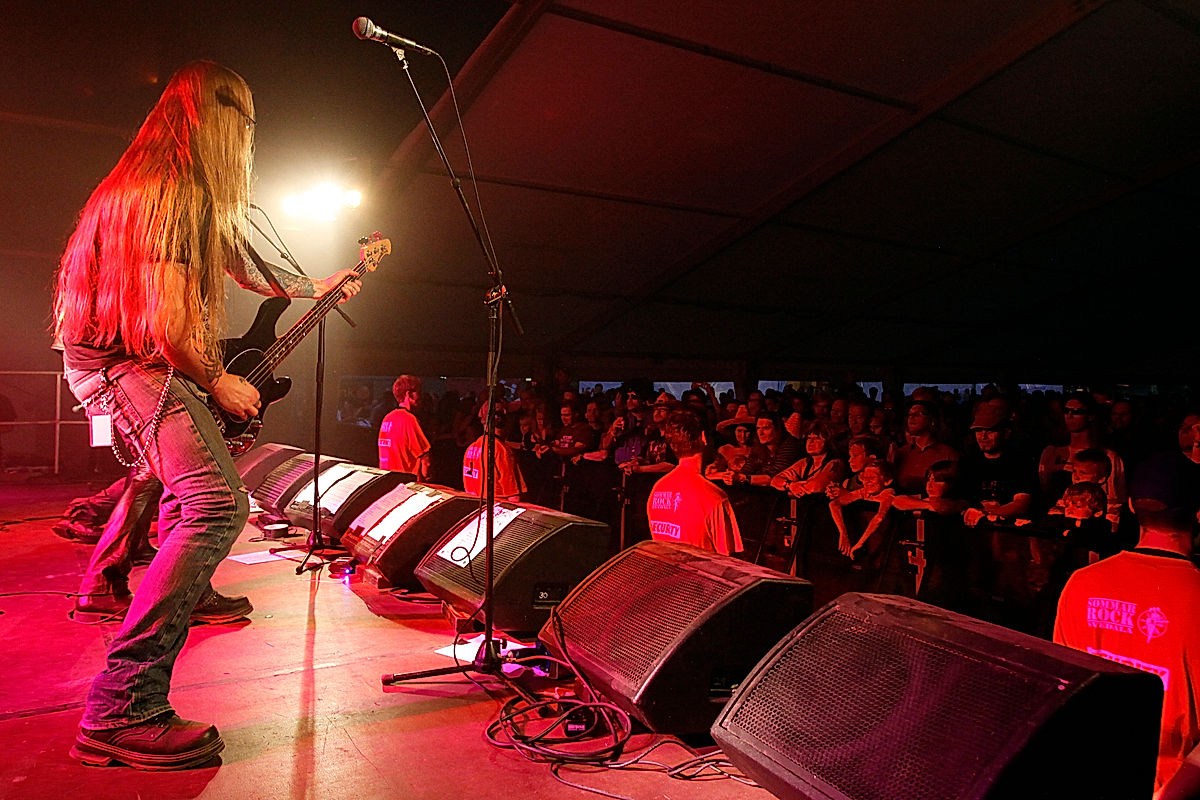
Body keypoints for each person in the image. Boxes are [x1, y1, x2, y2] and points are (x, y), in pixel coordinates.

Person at [52, 61, 362, 770]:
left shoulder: (153, 185)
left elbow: (245, 270)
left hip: (117, 360)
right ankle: (123, 706)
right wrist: (219, 380)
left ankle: (178, 601)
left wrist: (319, 285)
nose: (251, 141)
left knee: (181, 491)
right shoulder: (174, 192)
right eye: (247, 124)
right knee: (216, 503)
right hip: (127, 364)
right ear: (220, 120)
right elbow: (168, 327)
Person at [1053, 451, 1200, 795]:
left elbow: (1062, 690)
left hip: (1085, 774)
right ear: (1198, 513)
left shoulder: (1082, 583)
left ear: (1132, 506)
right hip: (1163, 786)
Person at [645, 409, 743, 555]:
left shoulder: (657, 489)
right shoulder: (714, 498)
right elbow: (729, 559)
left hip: (668, 568)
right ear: (703, 437)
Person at [378, 374, 430, 480]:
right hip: (408, 483)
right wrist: (427, 479)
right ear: (409, 394)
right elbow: (426, 461)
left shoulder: (387, 418)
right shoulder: (409, 420)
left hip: (388, 481)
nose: (421, 397)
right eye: (419, 392)